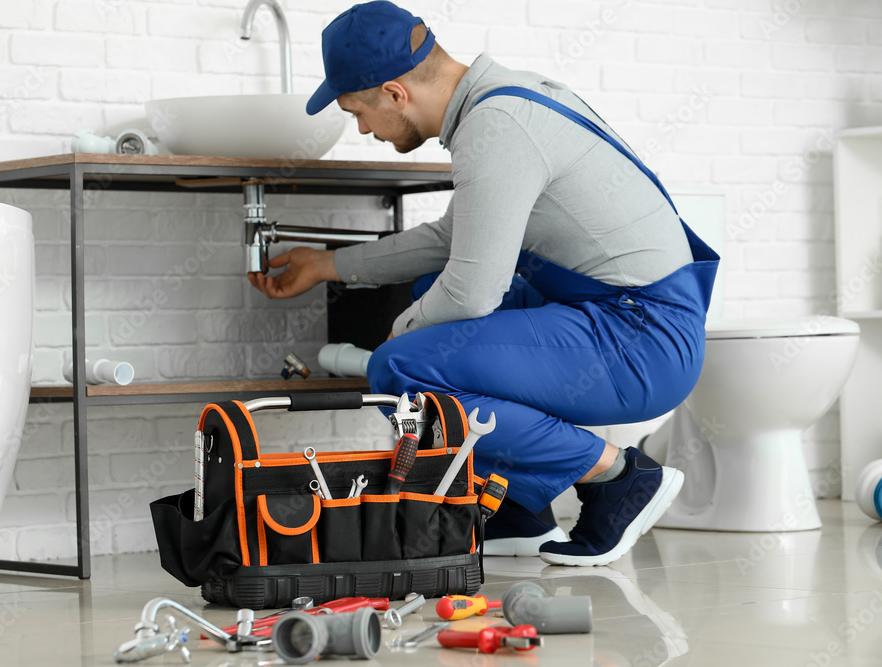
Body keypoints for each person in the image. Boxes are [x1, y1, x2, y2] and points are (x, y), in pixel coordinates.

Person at [248, 1, 719, 566]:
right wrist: (329, 265)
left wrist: (399, 341)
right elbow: (455, 241)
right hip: (629, 319)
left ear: (396, 93)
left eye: (360, 112)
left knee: (399, 368)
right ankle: (521, 506)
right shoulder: (505, 100)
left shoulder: (496, 128)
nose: (364, 129)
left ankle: (617, 478)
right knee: (430, 292)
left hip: (640, 339)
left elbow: (473, 292)